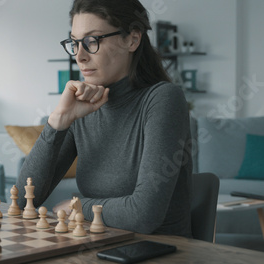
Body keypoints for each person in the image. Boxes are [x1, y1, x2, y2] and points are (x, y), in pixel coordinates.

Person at [15, 0, 192, 238]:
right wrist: (58, 120)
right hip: (97, 246)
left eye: (92, 41)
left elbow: (144, 216)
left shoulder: (163, 99)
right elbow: (24, 198)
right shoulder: (82, 109)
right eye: (75, 43)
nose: (80, 56)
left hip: (160, 252)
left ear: (132, 39)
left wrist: (78, 206)